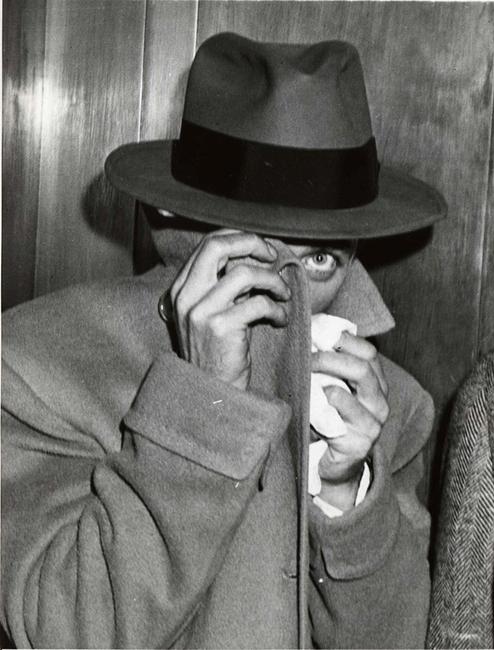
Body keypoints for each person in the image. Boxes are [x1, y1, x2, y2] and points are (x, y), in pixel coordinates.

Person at [1, 33, 446, 649]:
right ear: (176, 219)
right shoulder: (40, 365)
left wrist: (347, 497)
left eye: (319, 256)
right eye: (258, 249)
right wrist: (200, 405)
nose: (284, 291)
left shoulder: (392, 406)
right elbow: (60, 633)